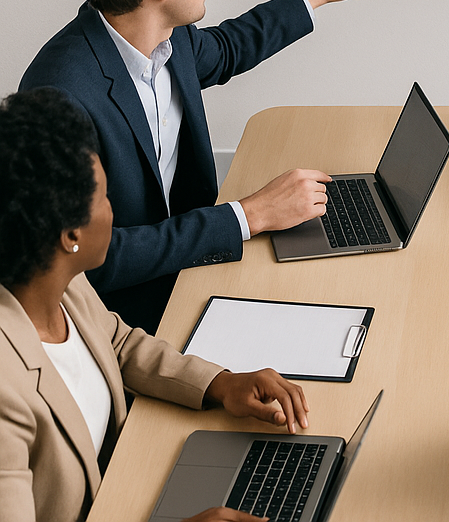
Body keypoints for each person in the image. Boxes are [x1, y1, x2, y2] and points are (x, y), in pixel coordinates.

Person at [20, 0, 376, 333]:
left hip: (193, 260)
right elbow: (88, 260)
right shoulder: (59, 97)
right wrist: (250, 215)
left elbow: (228, 48)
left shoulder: (169, 38)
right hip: (123, 317)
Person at [0, 87, 311, 522]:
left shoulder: (54, 280)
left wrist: (221, 384)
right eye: (103, 198)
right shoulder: (5, 392)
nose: (113, 210)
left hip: (128, 482)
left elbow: (119, 343)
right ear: (70, 236)